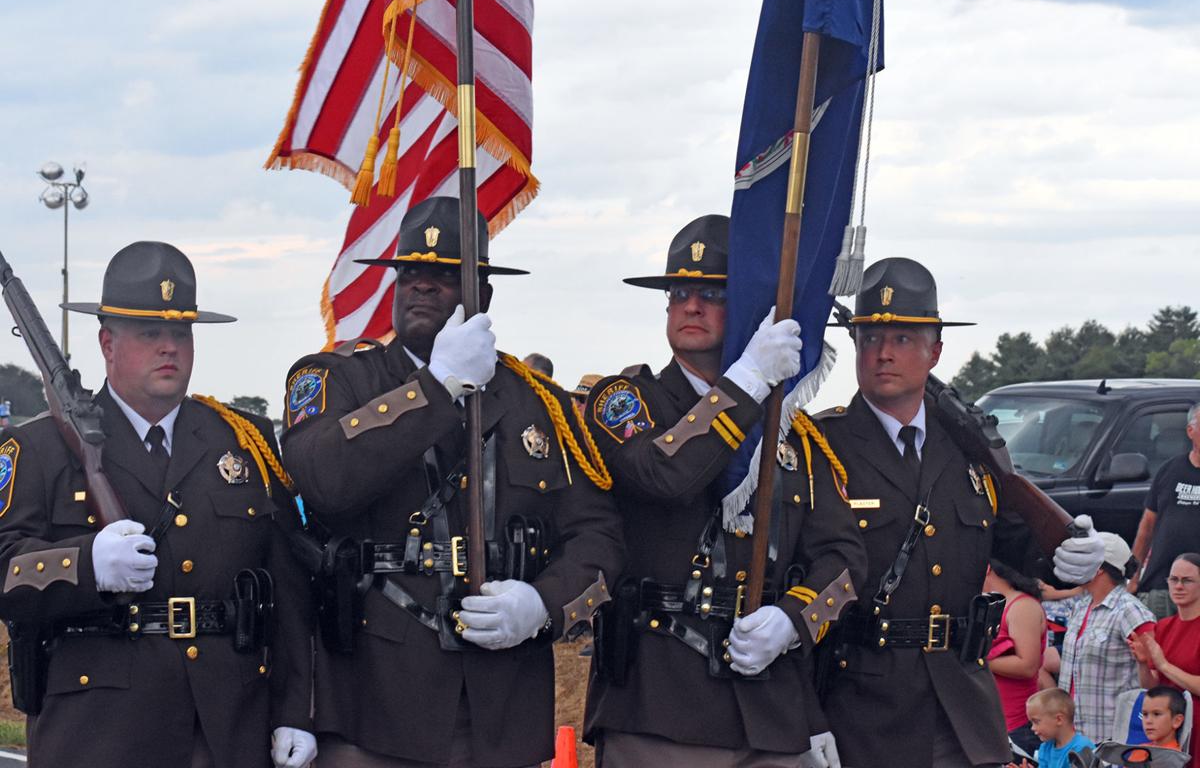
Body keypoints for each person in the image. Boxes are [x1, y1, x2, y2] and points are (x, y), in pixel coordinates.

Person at [280, 196, 624, 768]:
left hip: (501, 702)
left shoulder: (537, 403)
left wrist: (543, 604)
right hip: (373, 698)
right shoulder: (340, 379)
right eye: (409, 273)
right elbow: (322, 480)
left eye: (442, 276)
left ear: (482, 295)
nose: (421, 286)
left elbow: (599, 536)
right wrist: (437, 387)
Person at [0, 242, 316, 767]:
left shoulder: (243, 440)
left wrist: (294, 709)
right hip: (98, 732)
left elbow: (286, 586)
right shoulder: (37, 449)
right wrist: (86, 565)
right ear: (107, 343)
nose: (169, 348)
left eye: (181, 333)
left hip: (227, 727)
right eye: (150, 333)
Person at [581, 213, 866, 767]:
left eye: (713, 293)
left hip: (769, 710)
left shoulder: (790, 431)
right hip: (658, 708)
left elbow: (844, 556)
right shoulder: (625, 402)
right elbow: (666, 475)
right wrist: (748, 383)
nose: (692, 306)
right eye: (680, 293)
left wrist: (793, 620)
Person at [816, 257, 1106, 768]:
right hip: (861, 706)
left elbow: (1016, 542)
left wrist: (1069, 554)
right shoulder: (823, 445)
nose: (883, 353)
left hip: (963, 702)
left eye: (904, 338)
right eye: (868, 339)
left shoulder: (971, 447)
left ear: (936, 351)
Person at [1058, 532, 1155, 743]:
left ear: (1099, 567)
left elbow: (1155, 680)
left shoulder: (1131, 611)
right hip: (1073, 739)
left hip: (1113, 741)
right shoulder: (1080, 606)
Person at [1130, 403, 1200, 619]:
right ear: (1191, 431)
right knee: (1158, 646)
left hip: (1197, 586)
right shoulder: (1170, 469)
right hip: (1161, 584)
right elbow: (1147, 526)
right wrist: (1133, 575)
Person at [1130, 553, 1200, 766]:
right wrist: (1142, 663)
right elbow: (1152, 686)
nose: (1178, 586)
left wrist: (1164, 665)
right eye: (1173, 579)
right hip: (1169, 729)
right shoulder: (1163, 626)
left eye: (1187, 580)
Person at [984, 559, 1048, 759]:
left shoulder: (1022, 606)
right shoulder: (990, 604)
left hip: (1018, 725)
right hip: (993, 721)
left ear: (987, 569)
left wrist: (979, 660)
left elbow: (1028, 665)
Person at [1007, 688, 1096, 768]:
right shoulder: (1045, 747)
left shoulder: (1082, 748)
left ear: (1059, 719)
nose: (1032, 728)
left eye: (1036, 722)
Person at [1140, 686, 1188, 751]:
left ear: (1177, 721)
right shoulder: (1140, 749)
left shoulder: (1174, 757)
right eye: (1145, 714)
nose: (1148, 721)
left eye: (1156, 714)